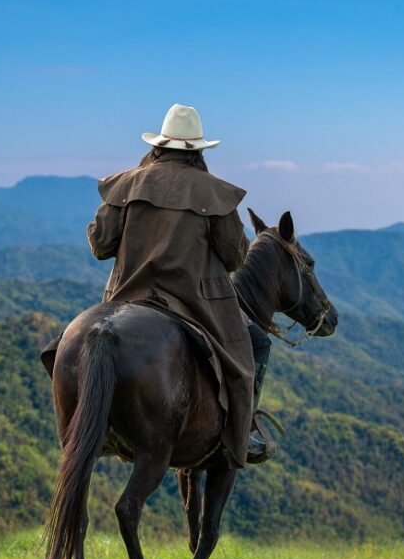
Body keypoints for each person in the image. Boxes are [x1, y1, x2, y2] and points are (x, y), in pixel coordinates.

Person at [83, 103, 274, 466]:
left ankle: (96, 425)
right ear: (198, 150)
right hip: (194, 302)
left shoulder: (124, 185)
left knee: (70, 345)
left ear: (157, 145)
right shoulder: (214, 193)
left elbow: (100, 246)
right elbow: (235, 257)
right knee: (256, 345)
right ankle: (242, 432)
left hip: (127, 296)